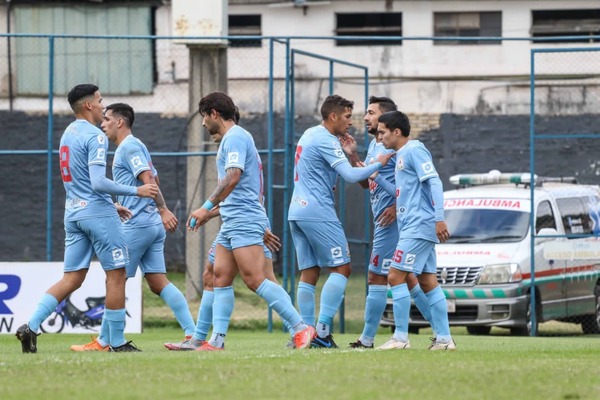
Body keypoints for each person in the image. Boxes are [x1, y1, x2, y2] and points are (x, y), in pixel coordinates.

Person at [15, 84, 158, 353]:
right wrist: (135, 190)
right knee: (116, 275)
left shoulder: (67, 133)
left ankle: (31, 326)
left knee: (71, 278)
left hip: (74, 212)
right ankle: (116, 343)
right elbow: (98, 181)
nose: (103, 106)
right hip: (97, 214)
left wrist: (110, 204)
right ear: (89, 105)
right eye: (100, 101)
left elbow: (81, 181)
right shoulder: (96, 136)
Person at [187, 91, 315, 351]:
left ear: (214, 113)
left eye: (204, 117)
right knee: (215, 276)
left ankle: (301, 328)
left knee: (255, 279)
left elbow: (233, 177)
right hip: (237, 218)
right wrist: (210, 214)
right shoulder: (235, 139)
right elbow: (241, 189)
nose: (203, 124)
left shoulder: (235, 137)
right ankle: (208, 340)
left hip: (244, 219)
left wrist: (206, 206)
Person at [69, 103, 195, 352]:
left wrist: (162, 209)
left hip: (136, 225)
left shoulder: (129, 146)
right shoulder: (134, 147)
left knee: (115, 279)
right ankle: (193, 333)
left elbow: (149, 181)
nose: (102, 123)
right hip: (149, 224)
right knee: (158, 282)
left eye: (106, 119)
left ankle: (105, 342)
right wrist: (160, 211)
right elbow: (154, 179)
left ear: (119, 122)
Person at [288, 94, 394, 348]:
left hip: (297, 211)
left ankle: (305, 334)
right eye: (347, 117)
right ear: (333, 116)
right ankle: (322, 334)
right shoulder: (326, 139)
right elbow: (349, 175)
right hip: (318, 211)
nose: (351, 122)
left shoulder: (310, 134)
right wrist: (377, 164)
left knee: (309, 272)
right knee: (342, 268)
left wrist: (352, 154)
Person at [344, 96, 434, 349]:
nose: (365, 117)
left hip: (393, 221)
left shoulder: (398, 148)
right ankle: (440, 334)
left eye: (371, 113)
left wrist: (396, 205)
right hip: (383, 219)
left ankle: (368, 339)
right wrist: (353, 157)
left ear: (386, 119)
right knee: (411, 279)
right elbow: (366, 181)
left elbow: (413, 180)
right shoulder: (376, 146)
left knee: (377, 277)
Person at [376, 110, 456, 350]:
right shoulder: (402, 156)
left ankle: (400, 338)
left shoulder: (414, 150)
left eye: (382, 132)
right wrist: (376, 176)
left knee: (394, 275)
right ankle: (444, 339)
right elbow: (403, 194)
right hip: (414, 226)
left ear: (396, 132)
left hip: (419, 226)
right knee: (428, 280)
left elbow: (435, 182)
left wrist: (439, 218)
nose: (379, 138)